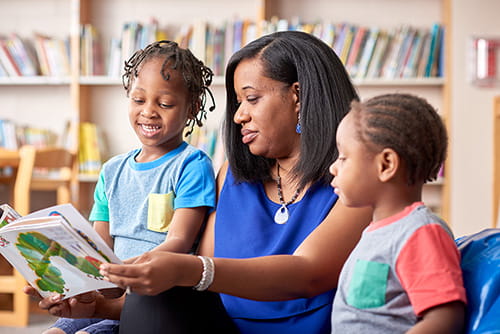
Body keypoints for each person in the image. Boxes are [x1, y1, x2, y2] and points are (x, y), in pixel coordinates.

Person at [28, 31, 372, 334]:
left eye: (251, 99)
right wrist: (94, 307)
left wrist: (184, 268)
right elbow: (199, 289)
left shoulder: (355, 181)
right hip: (221, 326)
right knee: (156, 299)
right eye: (238, 103)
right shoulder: (232, 178)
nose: (238, 115)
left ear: (298, 95)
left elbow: (307, 273)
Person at [43, 40, 218, 334]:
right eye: (139, 100)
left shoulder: (192, 164)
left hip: (154, 298)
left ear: (192, 109)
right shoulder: (112, 170)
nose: (148, 111)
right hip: (107, 288)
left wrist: (126, 272)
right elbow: (98, 244)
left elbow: (180, 242)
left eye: (164, 104)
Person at [329, 93, 467, 333]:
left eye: (343, 157)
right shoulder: (378, 232)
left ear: (386, 165)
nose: (333, 167)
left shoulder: (420, 232)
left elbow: (444, 318)